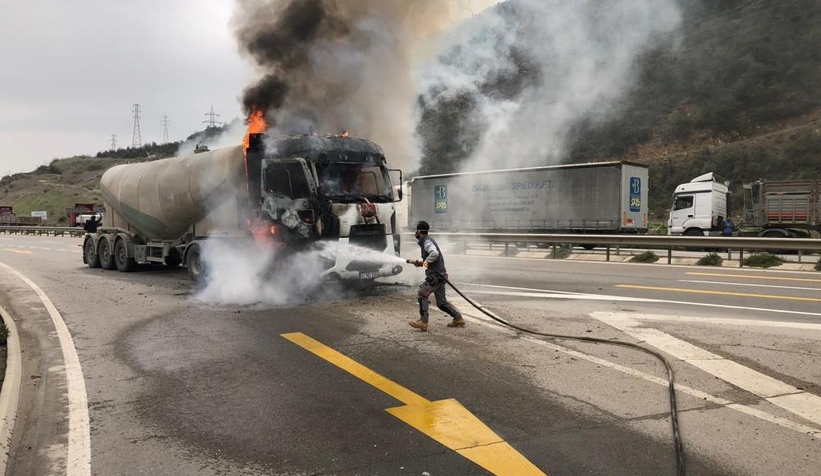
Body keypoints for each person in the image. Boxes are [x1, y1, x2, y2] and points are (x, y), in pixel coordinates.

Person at [409, 221, 465, 331]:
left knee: (422, 293)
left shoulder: (426, 241)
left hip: (436, 276)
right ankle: (458, 318)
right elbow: (430, 258)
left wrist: (426, 263)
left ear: (419, 231)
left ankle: (423, 322)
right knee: (441, 303)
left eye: (416, 230)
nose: (416, 233)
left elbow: (434, 254)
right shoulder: (427, 240)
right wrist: (422, 262)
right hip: (440, 275)